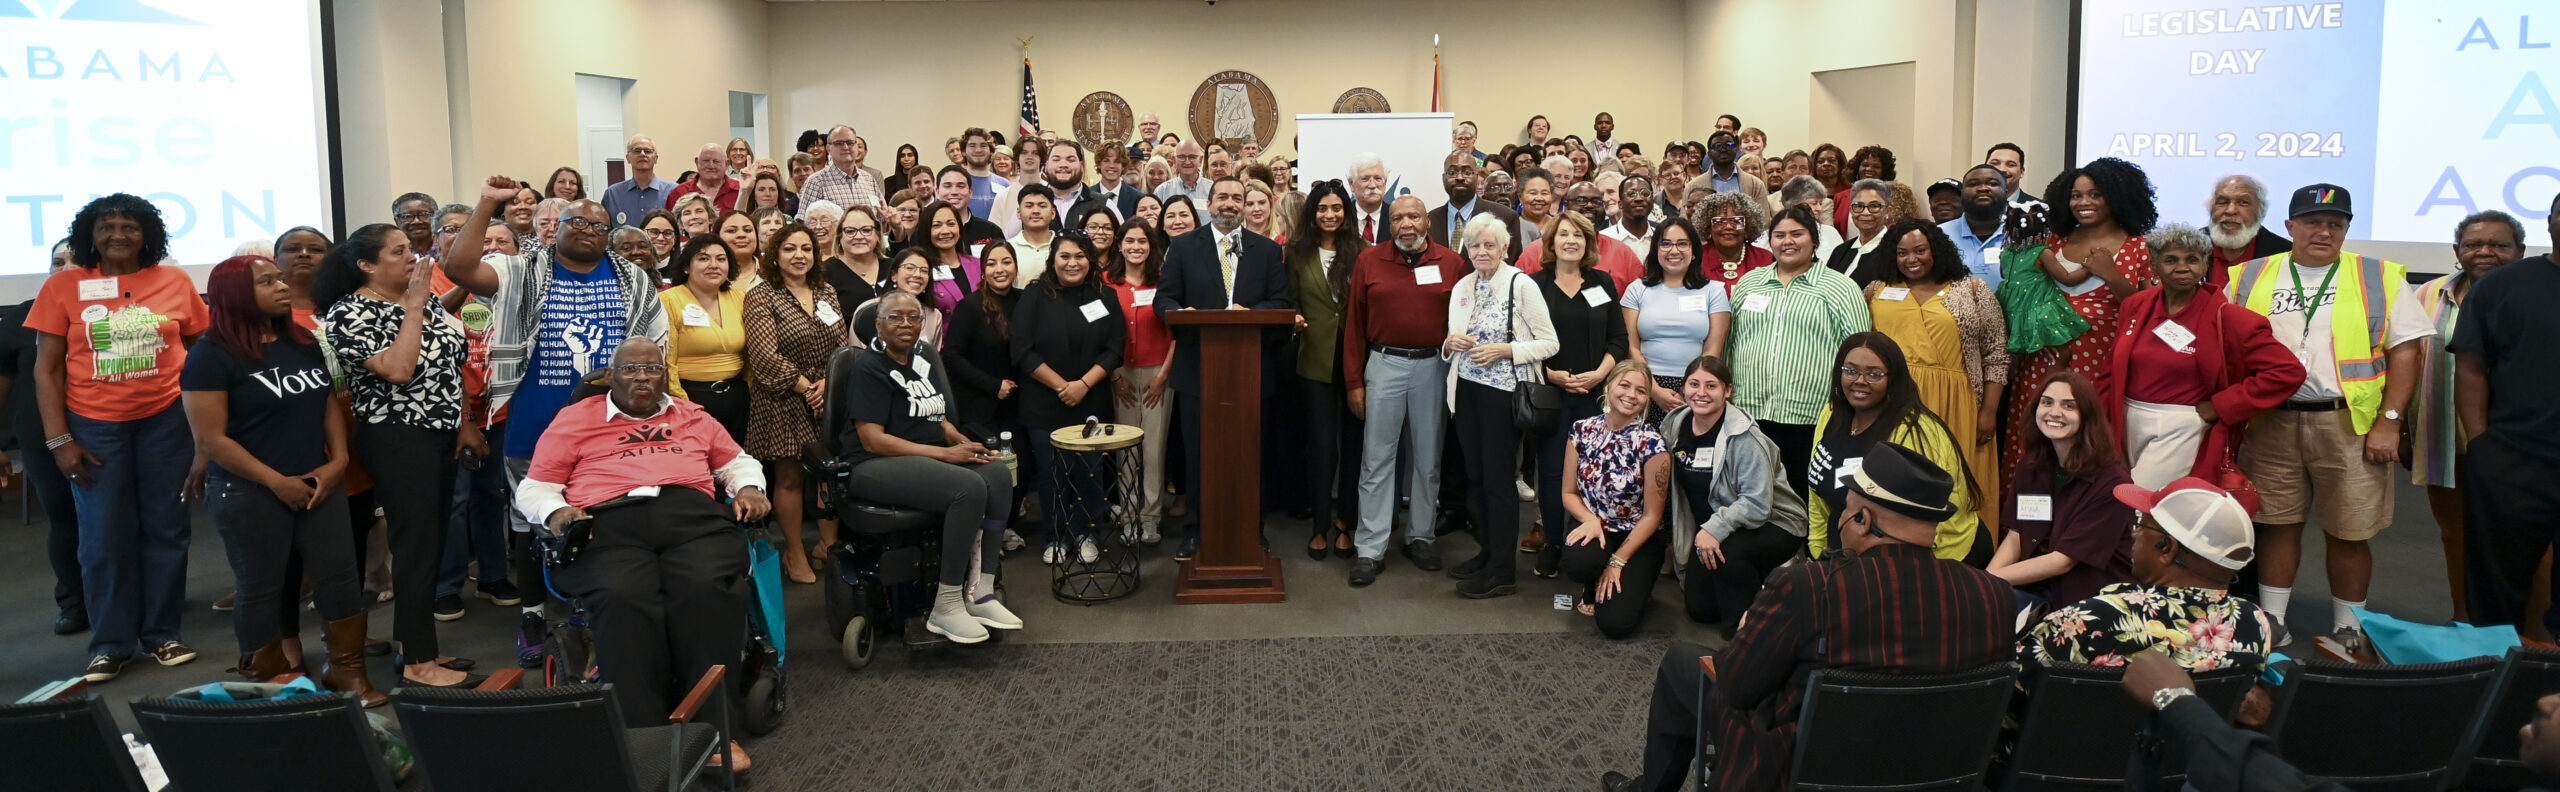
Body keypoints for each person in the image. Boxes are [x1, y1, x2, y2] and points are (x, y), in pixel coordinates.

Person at [1599, 441, 2016, 792]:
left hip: (1807, 771)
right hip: (1932, 772)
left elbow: (1739, 686)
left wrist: (1752, 630)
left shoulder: (1808, 588)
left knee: (1681, 664)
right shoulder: (1994, 595)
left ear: (1861, 518)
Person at [514, 338, 766, 772]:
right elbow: (535, 486)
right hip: (609, 519)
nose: (642, 378)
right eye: (630, 370)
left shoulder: (692, 416)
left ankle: (715, 732)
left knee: (707, 588)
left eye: (651, 369)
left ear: (665, 375)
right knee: (624, 595)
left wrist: (747, 487)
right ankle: (642, 738)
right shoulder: (574, 420)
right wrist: (556, 512)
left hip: (689, 516)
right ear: (610, 376)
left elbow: (736, 460)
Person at [2227, 183, 2428, 649]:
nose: (2324, 231)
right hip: (2270, 421)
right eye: (2313, 222)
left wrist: (2390, 421)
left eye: (2335, 224)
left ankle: (2349, 629)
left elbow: (2406, 352)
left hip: (2350, 425)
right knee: (2276, 524)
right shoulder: (2247, 276)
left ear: (2347, 229)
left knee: (2350, 531)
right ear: (2289, 226)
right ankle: (2272, 622)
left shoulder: (2378, 276)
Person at [180, 256, 383, 705]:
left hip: (318, 481)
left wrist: (339, 459)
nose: (282, 284)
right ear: (234, 294)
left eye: (279, 277)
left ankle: (346, 672)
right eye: (266, 281)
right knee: (260, 587)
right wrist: (276, 482)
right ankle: (267, 683)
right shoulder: (210, 356)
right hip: (249, 490)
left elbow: (327, 401)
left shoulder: (302, 340)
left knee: (339, 579)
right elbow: (210, 439)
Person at [32, 196, 210, 682]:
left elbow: (203, 348)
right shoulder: (64, 285)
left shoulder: (173, 282)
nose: (118, 234)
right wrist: (58, 440)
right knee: (103, 536)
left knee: (167, 527)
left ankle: (162, 633)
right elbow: (46, 371)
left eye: (129, 226)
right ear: (89, 233)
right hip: (94, 424)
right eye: (106, 226)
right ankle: (110, 643)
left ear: (147, 234)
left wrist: (205, 426)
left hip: (167, 420)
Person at [310, 222, 481, 688]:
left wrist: (464, 420)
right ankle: (419, 664)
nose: (413, 257)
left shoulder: (418, 303)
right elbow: (400, 370)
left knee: (430, 541)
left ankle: (414, 644)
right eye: (399, 251)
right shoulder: (349, 313)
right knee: (416, 547)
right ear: (366, 264)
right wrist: (413, 306)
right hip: (398, 436)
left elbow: (448, 362)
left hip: (440, 434)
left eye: (412, 249)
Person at [844, 286, 1026, 647]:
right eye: (895, 317)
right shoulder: (869, 367)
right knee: (968, 487)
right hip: (874, 463)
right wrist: (945, 455)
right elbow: (872, 439)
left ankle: (982, 591)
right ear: (878, 326)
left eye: (914, 317)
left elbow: (935, 417)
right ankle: (946, 604)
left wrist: (959, 440)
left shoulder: (920, 360)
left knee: (997, 474)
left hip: (924, 453)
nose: (906, 324)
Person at [2003, 159, 2158, 513]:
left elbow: (2148, 310)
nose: (2083, 202)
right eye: (2075, 195)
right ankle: (2030, 536)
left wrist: (2111, 274)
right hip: (2040, 367)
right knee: (2034, 450)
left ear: (2117, 197)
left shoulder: (2139, 246)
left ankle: (2081, 536)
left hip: (2101, 370)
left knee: (2088, 451)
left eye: (2095, 194)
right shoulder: (2052, 240)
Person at [2105, 224, 2303, 490]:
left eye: (2192, 260)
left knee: (2142, 510)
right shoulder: (2136, 305)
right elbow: (2112, 368)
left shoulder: (2230, 317)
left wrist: (2222, 405)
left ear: (2205, 264)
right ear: (2153, 267)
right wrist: (2096, 418)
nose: (2183, 267)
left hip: (2180, 427)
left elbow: (2288, 372)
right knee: (2124, 500)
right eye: (2171, 260)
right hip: (2125, 420)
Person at [1155, 176, 1292, 561]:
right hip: (1198, 372)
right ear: (1209, 203)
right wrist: (1181, 314)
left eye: (1237, 197)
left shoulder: (1266, 251)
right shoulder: (1183, 247)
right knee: (1200, 456)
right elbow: (1164, 298)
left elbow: (1280, 302)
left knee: (1251, 456)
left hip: (1252, 374)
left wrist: (1251, 314)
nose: (1230, 203)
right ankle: (1197, 530)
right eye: (1222, 197)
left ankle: (1252, 530)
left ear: (1246, 204)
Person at [1340, 196, 1467, 585]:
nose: (1406, 224)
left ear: (1427, 221)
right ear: (1389, 223)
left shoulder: (1451, 263)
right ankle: (1370, 547)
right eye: (1398, 218)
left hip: (1434, 366)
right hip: (1384, 363)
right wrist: (1354, 382)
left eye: (1413, 216)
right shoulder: (1369, 261)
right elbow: (1354, 325)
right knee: (1376, 459)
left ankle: (1421, 536)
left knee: (1428, 458)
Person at [2412, 212, 2529, 627]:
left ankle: (2534, 636)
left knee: (2529, 540)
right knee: (2456, 536)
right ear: (2456, 251)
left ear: (2520, 251)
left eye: (2499, 245)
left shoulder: (2536, 295)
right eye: (2473, 244)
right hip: (2446, 442)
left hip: (2519, 447)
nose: (2485, 252)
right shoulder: (2426, 295)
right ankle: (2465, 625)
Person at [2021, 476, 2268, 673]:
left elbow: (2012, 683)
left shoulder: (2097, 617)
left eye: (2142, 524)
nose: (2134, 534)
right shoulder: (2254, 622)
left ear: (2167, 548)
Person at [2455, 191, 2560, 644]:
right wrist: (2481, 445)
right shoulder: (2503, 285)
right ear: (2551, 222)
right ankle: (2492, 677)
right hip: (2513, 459)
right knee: (2496, 587)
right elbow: (2471, 366)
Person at [1865, 219, 2008, 536]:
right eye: (1902, 253)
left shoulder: (1971, 290)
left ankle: (1962, 564)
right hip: (1893, 406)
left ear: (1936, 250)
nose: (1911, 259)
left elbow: (1996, 353)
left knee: (1955, 485)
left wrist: (1989, 412)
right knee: (1896, 485)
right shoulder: (1877, 290)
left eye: (1919, 250)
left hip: (1957, 403)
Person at [1440, 213, 1557, 599]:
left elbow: (1549, 343)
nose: (1482, 251)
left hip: (1504, 395)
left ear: (1505, 248)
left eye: (1490, 245)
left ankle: (1503, 570)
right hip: (1468, 392)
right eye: (1475, 245)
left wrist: (1507, 349)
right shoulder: (1463, 286)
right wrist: (1448, 344)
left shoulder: (1521, 285)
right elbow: (1452, 337)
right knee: (1475, 477)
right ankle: (1488, 553)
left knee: (1498, 481)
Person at [1660, 355, 1807, 638]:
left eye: (1711, 386)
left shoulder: (1744, 437)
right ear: (1683, 388)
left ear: (1727, 391)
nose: (1701, 393)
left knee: (1728, 556)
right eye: (1694, 384)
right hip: (1719, 525)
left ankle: (1744, 632)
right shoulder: (1675, 425)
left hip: (1774, 521)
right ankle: (1759, 585)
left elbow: (1757, 502)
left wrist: (1714, 529)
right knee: (1699, 610)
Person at [1727, 206, 1870, 493]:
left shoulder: (1840, 287)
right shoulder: (1749, 283)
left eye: (1797, 234)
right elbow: (1730, 343)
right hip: (1750, 412)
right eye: (1779, 235)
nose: (1787, 241)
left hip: (1811, 415)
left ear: (1814, 240)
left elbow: (1859, 351)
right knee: (1753, 493)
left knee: (1805, 495)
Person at [1807, 333, 1982, 563]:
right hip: (1851, 548)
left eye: (1874, 374)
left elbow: (1927, 523)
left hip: (1928, 557)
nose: (1860, 380)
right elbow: (1817, 483)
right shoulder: (1832, 413)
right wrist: (1818, 549)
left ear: (1894, 379)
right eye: (1850, 370)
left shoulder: (1916, 432)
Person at [1011, 234, 1128, 564]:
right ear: (1053, 259)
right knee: (1051, 474)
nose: (1072, 262)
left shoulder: (1104, 296)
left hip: (1090, 401)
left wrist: (1083, 385)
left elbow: (1116, 347)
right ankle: (1055, 536)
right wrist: (1064, 386)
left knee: (1089, 473)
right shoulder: (1035, 296)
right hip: (1044, 402)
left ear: (1091, 259)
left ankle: (1088, 533)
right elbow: (1022, 349)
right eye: (1064, 256)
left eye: (1080, 256)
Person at [1530, 211, 1631, 579]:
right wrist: (1550, 374)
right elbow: (1523, 342)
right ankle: (1554, 544)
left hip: (1595, 398)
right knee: (1555, 473)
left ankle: (1591, 542)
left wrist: (1601, 375)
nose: (1570, 240)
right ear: (1551, 243)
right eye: (1563, 234)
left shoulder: (1601, 282)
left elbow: (1619, 339)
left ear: (1588, 244)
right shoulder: (1535, 284)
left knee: (1595, 475)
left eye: (1578, 235)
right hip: (1552, 397)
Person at [742, 222, 844, 584]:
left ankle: (828, 546)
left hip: (827, 394)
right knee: (790, 477)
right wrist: (807, 388)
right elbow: (764, 356)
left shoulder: (827, 291)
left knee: (830, 472)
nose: (799, 256)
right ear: (774, 254)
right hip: (783, 397)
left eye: (806, 249)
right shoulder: (762, 295)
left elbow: (842, 346)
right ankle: (795, 551)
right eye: (790, 249)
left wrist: (828, 383)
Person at [1988, 371, 2135, 609]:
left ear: (2087, 416)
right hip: (2034, 584)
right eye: (2047, 402)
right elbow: (2018, 534)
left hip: (2087, 599)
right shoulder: (2031, 465)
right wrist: (1984, 583)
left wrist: (1990, 580)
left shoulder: (2114, 485)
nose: (2055, 412)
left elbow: (2063, 561)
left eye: (2069, 406)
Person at [1, 242, 90, 635]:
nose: (65, 267)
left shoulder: (112, 309)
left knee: (121, 518)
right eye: (57, 261)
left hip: (110, 426)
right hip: (42, 434)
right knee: (64, 516)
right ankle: (74, 602)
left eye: (76, 260)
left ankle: (131, 596)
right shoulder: (23, 315)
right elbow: (3, 380)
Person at [1560, 361, 1672, 636]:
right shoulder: (1582, 430)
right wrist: (1590, 520)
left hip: (1639, 537)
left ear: (1647, 400)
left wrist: (1617, 561)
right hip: (1598, 528)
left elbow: (1652, 516)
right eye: (1624, 385)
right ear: (1608, 386)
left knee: (1615, 624)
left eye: (1641, 391)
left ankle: (1637, 584)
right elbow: (1568, 493)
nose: (1632, 395)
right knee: (1577, 562)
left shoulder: (1653, 443)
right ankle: (1592, 580)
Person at [1284, 182, 1363, 559]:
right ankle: (1319, 525)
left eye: (1337, 208)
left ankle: (1345, 523)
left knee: (1352, 447)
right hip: (1313, 360)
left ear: (1346, 212)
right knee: (1320, 447)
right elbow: (1290, 300)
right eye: (1322, 209)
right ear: (1311, 213)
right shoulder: (1296, 253)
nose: (1329, 215)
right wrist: (1294, 317)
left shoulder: (1362, 252)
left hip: (1354, 363)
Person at [1618, 217, 1734, 418]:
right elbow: (1631, 347)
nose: (1674, 251)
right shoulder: (1637, 289)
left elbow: (1713, 350)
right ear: (1655, 250)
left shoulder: (1713, 291)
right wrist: (1654, 389)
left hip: (1697, 389)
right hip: (1643, 387)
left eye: (1682, 244)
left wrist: (1695, 388)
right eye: (1665, 244)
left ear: (1694, 251)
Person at [1108, 222, 1177, 547]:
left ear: (1152, 246)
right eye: (1129, 240)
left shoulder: (1164, 282)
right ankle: (1128, 515)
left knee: (1153, 449)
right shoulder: (1106, 282)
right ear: (1119, 245)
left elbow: (1178, 332)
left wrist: (1163, 377)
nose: (1136, 246)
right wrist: (1114, 375)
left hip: (1157, 375)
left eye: (1143, 241)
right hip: (1120, 373)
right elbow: (1099, 334)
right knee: (1126, 451)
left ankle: (1150, 518)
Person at [659, 236, 752, 444]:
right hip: (689, 398)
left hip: (737, 398)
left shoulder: (741, 298)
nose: (713, 265)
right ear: (686, 267)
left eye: (721, 259)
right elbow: (666, 361)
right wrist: (682, 404)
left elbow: (750, 355)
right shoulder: (669, 300)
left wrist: (748, 391)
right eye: (703, 259)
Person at [941, 240, 1022, 456]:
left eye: (1006, 262)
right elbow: (952, 356)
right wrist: (994, 386)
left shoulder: (1025, 300)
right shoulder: (969, 306)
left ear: (1016, 266)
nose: (1000, 269)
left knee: (1022, 468)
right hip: (980, 405)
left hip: (1018, 404)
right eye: (992, 264)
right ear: (983, 271)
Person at [853, 249, 945, 349]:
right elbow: (855, 355)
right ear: (893, 275)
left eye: (924, 271)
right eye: (910, 268)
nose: (918, 275)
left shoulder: (934, 315)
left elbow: (932, 358)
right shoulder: (867, 310)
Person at [1940, 164, 2014, 287]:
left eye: (1993, 183)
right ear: (1962, 193)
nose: (1983, 188)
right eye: (1973, 184)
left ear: (2006, 192)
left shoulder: (2022, 235)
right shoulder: (1939, 234)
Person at [1691, 190, 1772, 287]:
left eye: (1736, 221)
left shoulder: (1765, 258)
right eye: (1719, 222)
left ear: (1748, 228)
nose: (1728, 226)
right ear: (1708, 229)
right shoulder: (1696, 259)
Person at [915, 200, 984, 312]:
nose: (945, 231)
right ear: (926, 231)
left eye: (951, 224)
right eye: (937, 226)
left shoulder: (978, 264)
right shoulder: (922, 270)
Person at [823, 206, 892, 315]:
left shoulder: (893, 267)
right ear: (840, 237)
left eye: (866, 230)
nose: (859, 236)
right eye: (850, 231)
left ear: (878, 235)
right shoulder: (825, 271)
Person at [1830, 179, 1902, 284]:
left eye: (1874, 206)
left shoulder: (1896, 251)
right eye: (1858, 206)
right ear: (1851, 210)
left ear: (1888, 210)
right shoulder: (1840, 251)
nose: (1866, 212)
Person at [800, 125, 886, 211]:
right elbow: (804, 221)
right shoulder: (815, 182)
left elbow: (881, 217)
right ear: (828, 148)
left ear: (856, 146)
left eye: (850, 142)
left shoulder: (869, 180)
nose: (845, 147)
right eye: (839, 143)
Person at [931, 165, 1008, 255]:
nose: (954, 192)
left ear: (970, 192)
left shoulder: (991, 231)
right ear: (937, 192)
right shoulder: (924, 232)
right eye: (947, 186)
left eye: (961, 186)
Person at [602, 136, 675, 229]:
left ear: (656, 158)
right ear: (628, 158)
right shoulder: (612, 194)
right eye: (637, 150)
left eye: (648, 151)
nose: (642, 154)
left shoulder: (672, 191)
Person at [666, 144, 741, 214]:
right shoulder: (679, 192)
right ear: (697, 162)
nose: (711, 166)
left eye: (716, 161)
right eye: (706, 161)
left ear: (727, 164)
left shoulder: (740, 190)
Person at [1152, 140, 1210, 206]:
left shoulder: (1213, 190)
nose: (1187, 162)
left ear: (1200, 160)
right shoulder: (1162, 191)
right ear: (1174, 160)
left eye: (1192, 157)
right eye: (1182, 157)